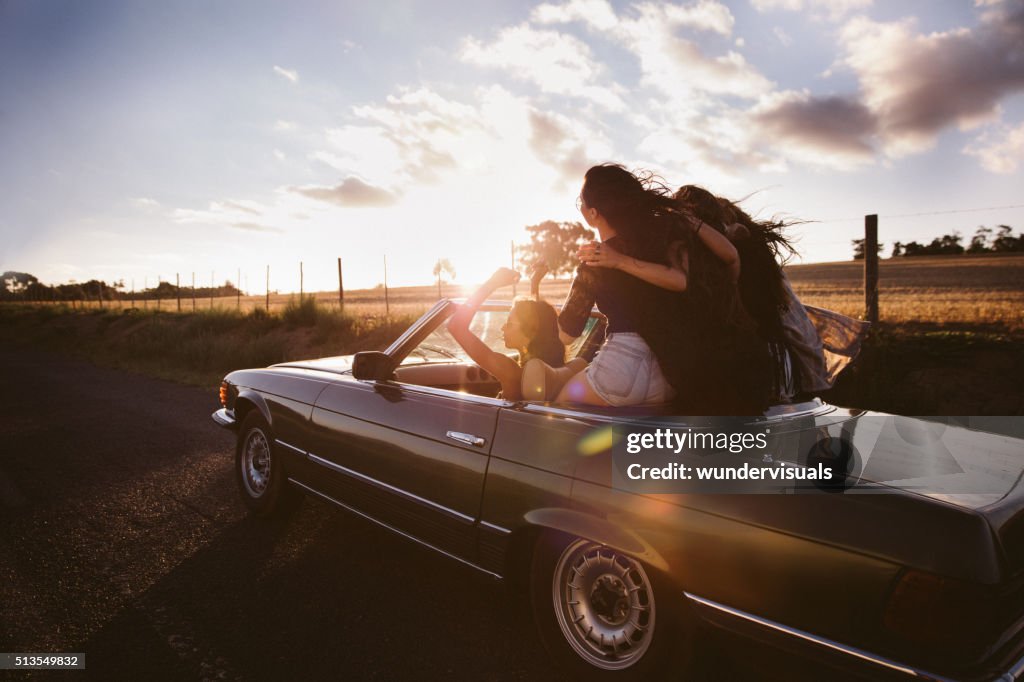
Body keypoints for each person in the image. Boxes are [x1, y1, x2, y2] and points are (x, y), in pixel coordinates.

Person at [555, 164, 774, 413]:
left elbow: (568, 334)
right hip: (668, 371)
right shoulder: (660, 245)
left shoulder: (596, 258)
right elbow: (694, 274)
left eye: (580, 201)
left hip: (622, 364)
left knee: (562, 404)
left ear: (593, 213)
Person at [446, 267, 577, 402]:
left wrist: (492, 283)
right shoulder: (552, 371)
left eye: (509, 323)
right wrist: (534, 284)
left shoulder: (511, 372)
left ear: (530, 333)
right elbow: (540, 320)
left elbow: (456, 327)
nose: (503, 327)